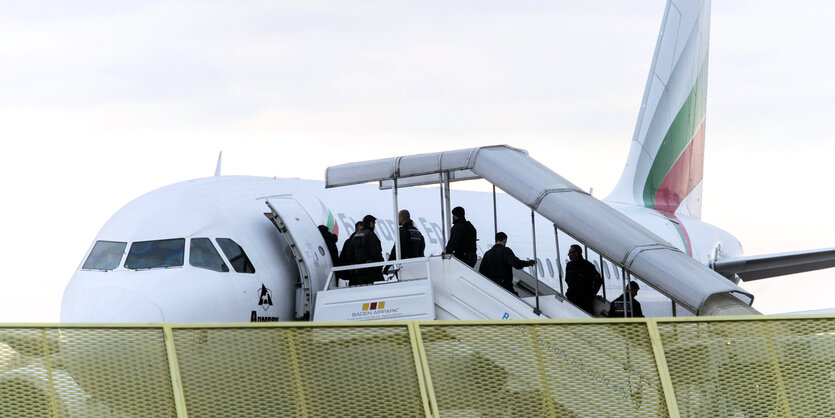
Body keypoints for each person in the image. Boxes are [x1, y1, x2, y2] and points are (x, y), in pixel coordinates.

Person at [564, 244, 603, 315]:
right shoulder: (569, 265)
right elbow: (567, 279)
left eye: (570, 253)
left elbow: (599, 280)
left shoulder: (588, 266)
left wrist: (592, 293)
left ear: (576, 253)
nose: (568, 255)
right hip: (572, 298)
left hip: (585, 301)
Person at [384, 210, 425, 274]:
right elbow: (421, 250)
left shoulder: (403, 231)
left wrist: (387, 266)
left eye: (398, 217)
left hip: (406, 268)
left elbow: (396, 250)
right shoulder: (418, 233)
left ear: (402, 218)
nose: (397, 220)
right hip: (417, 267)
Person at [349, 215, 384, 285]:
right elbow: (375, 253)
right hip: (372, 271)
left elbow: (350, 254)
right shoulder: (371, 235)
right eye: (374, 224)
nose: (374, 226)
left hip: (359, 272)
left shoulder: (355, 236)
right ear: (371, 223)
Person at [336, 221, 364, 285]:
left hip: (354, 275)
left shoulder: (349, 241)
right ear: (356, 230)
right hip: (355, 274)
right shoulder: (350, 242)